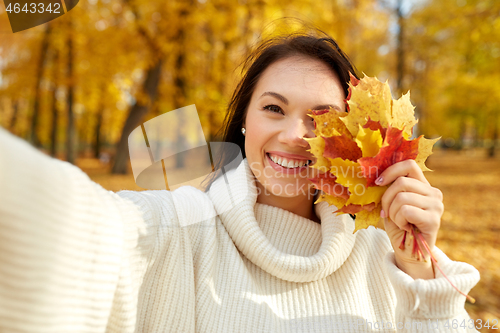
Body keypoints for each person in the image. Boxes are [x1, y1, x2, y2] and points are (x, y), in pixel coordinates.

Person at [0, 31, 479, 333]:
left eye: (322, 119)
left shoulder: (380, 257)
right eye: (274, 108)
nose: (294, 135)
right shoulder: (177, 229)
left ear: (351, 141)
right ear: (245, 122)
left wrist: (422, 274)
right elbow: (70, 221)